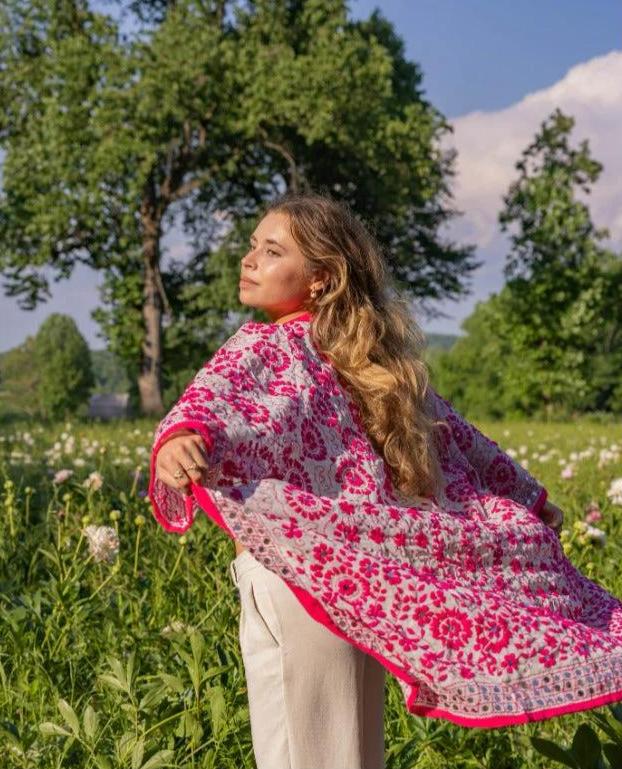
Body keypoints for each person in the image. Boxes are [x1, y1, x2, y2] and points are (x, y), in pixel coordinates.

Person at [150, 191, 622, 768]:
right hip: (355, 590)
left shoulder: (262, 345)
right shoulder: (374, 363)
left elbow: (204, 404)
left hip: (292, 578)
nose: (249, 260)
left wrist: (178, 440)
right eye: (253, 246)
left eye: (272, 251)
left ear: (321, 278)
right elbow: (468, 445)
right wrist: (528, 500)